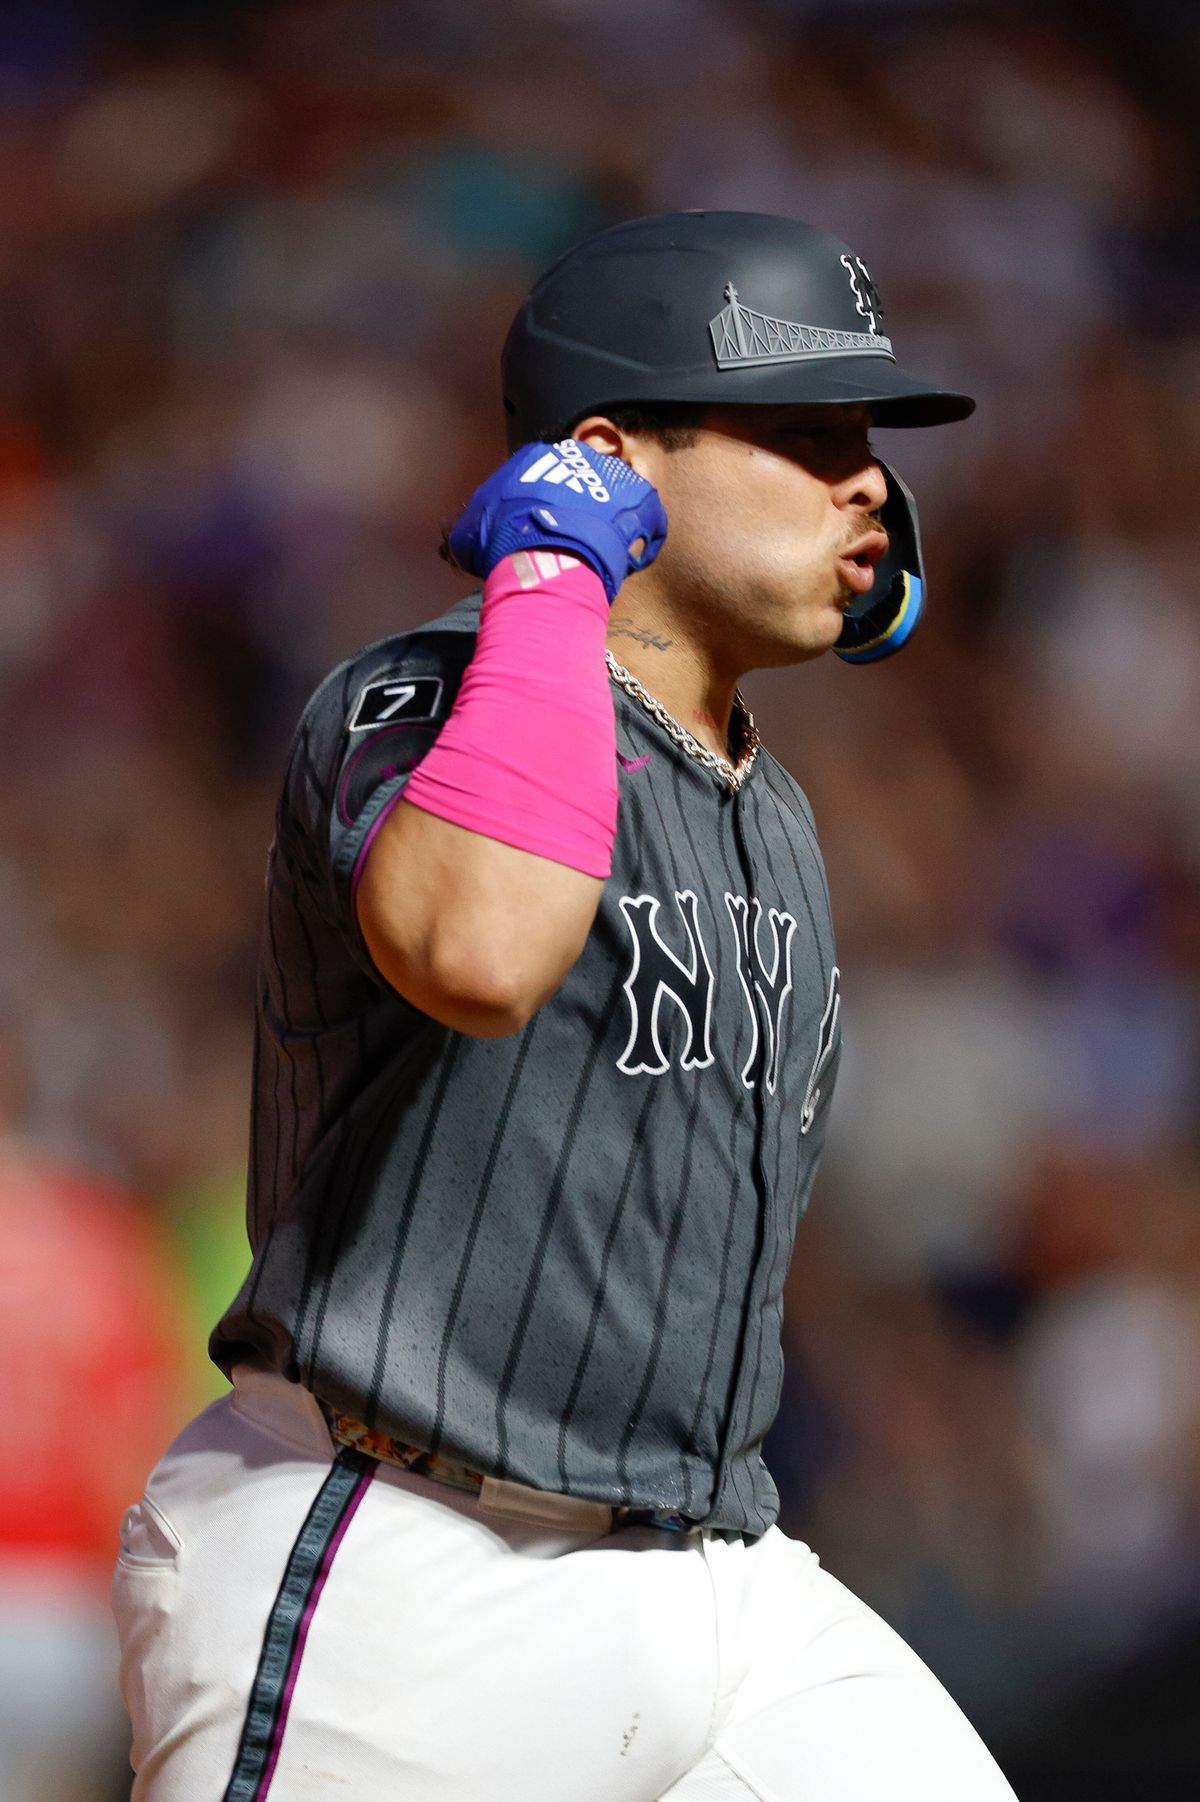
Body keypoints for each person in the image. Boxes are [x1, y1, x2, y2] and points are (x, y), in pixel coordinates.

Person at [112, 211, 1019, 1800]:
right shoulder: (425, 691)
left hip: (716, 1571)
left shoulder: (772, 809)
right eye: (804, 434)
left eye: (866, 437)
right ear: (607, 455)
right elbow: (475, 945)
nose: (869, 477)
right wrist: (552, 573)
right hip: (408, 1556)